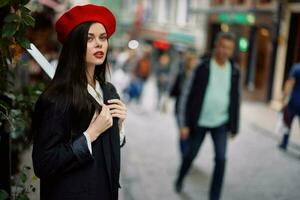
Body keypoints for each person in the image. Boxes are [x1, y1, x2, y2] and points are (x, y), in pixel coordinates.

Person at [31, 4, 127, 200]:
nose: (99, 44)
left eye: (103, 38)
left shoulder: (108, 91)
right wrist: (90, 134)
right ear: (75, 44)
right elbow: (44, 163)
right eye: (90, 38)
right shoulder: (56, 98)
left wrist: (119, 128)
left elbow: (107, 152)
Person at [175, 32, 240, 200]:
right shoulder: (202, 67)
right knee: (191, 155)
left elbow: (236, 99)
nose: (226, 51)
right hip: (199, 122)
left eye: (230, 49)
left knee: (221, 159)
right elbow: (185, 95)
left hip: (221, 122)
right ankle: (180, 178)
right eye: (223, 47)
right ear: (216, 46)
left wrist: (234, 126)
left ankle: (214, 196)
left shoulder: (234, 70)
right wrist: (183, 124)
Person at [170, 51, 198, 157]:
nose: (194, 63)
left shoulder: (197, 76)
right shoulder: (182, 74)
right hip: (180, 108)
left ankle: (188, 154)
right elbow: (174, 90)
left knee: (190, 134)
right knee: (183, 133)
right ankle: (184, 155)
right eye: (192, 61)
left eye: (195, 61)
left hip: (192, 110)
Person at [278, 63, 300, 150]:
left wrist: (283, 99)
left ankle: (284, 143)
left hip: (294, 101)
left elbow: (290, 83)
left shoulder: (296, 68)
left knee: (287, 122)